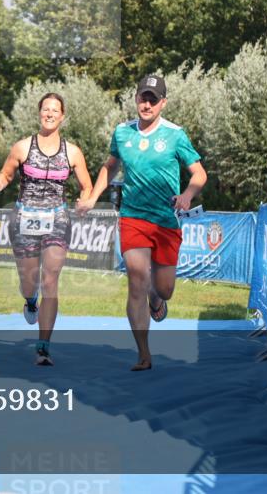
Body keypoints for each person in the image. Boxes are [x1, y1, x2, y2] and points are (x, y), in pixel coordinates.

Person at [78, 75, 207, 371]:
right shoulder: (122, 132)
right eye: (142, 98)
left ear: (163, 103)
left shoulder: (176, 135)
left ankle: (156, 299)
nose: (147, 104)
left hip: (165, 221)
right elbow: (110, 167)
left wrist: (187, 195)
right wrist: (92, 197)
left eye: (153, 99)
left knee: (164, 288)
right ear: (135, 98)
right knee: (137, 278)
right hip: (133, 217)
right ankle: (144, 353)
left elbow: (199, 173)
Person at [0, 93, 93, 366]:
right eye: (46, 109)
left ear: (62, 116)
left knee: (50, 279)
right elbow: (6, 175)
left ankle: (43, 346)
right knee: (29, 282)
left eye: (55, 110)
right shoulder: (22, 147)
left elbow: (87, 186)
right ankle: (30, 300)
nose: (50, 114)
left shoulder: (73, 152)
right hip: (24, 219)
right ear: (39, 113)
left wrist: (84, 200)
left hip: (57, 219)